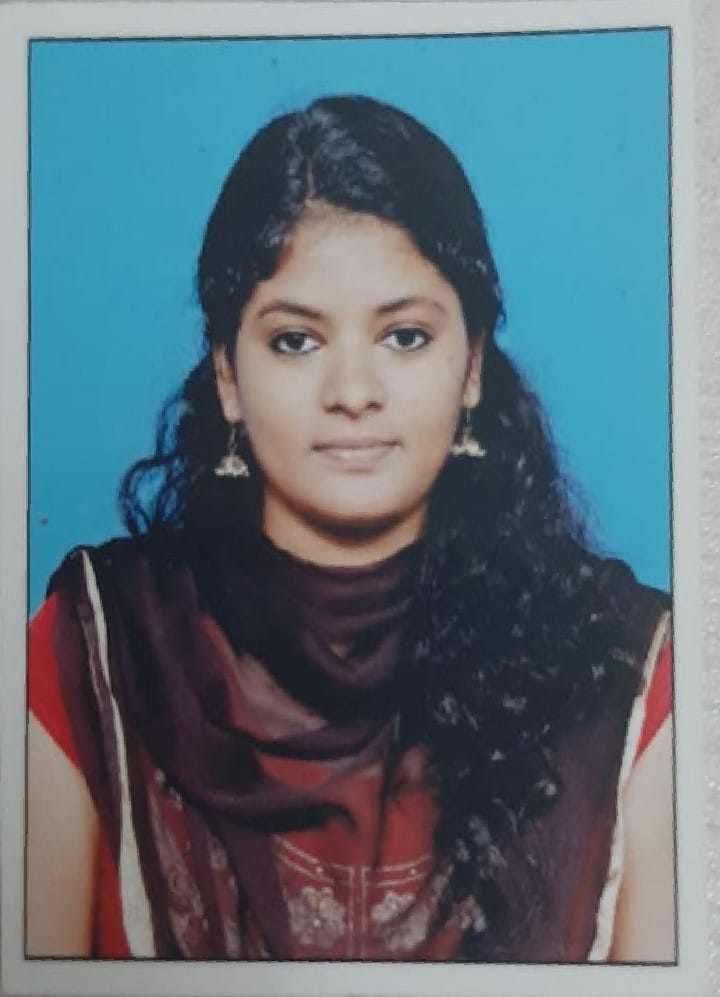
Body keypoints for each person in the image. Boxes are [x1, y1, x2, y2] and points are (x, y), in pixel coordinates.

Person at [26, 94, 674, 962]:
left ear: (472, 368)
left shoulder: (628, 676)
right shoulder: (95, 652)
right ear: (228, 377)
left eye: (404, 336)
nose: (354, 391)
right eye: (297, 341)